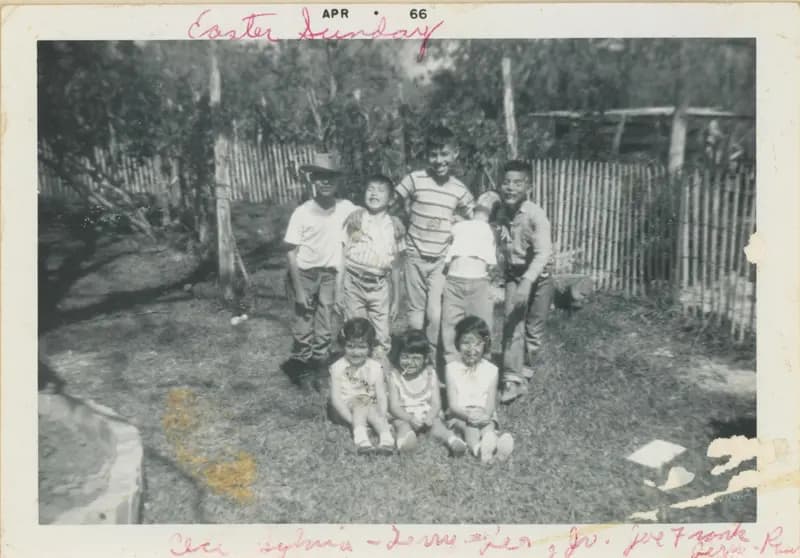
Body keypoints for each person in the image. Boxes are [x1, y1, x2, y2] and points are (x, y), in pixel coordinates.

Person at [394, 125, 475, 360]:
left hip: (440, 260)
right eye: (433, 155)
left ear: (455, 153)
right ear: (426, 155)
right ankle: (414, 353)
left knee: (436, 313)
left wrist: (461, 221)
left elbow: (475, 217)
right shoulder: (415, 179)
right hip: (414, 256)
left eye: (444, 154)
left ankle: (431, 355)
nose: (439, 160)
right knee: (415, 311)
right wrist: (395, 218)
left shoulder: (459, 189)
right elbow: (393, 199)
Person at [281, 152, 358, 391]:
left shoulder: (346, 208)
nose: (325, 181)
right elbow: (291, 253)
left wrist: (394, 221)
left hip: (329, 276)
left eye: (330, 177)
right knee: (303, 325)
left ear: (338, 180)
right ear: (312, 179)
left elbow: (370, 215)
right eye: (320, 176)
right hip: (304, 274)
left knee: (325, 324)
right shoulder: (302, 212)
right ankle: (302, 369)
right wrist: (299, 290)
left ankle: (320, 367)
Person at [493, 160, 555, 404]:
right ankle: (511, 379)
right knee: (512, 324)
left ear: (529, 186)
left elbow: (543, 253)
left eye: (517, 183)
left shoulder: (535, 215)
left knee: (534, 329)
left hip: (539, 276)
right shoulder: (500, 212)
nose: (510, 188)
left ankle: (526, 371)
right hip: (513, 274)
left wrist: (528, 282)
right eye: (506, 182)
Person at [340, 175, 405, 361]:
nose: (374, 193)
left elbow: (396, 266)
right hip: (354, 282)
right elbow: (342, 255)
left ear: (391, 200)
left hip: (379, 286)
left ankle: (379, 369)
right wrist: (339, 289)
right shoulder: (355, 219)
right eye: (370, 189)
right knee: (355, 328)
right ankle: (356, 368)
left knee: (382, 334)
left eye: (381, 190)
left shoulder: (395, 226)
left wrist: (396, 300)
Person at [386, 329, 468, 456]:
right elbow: (394, 406)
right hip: (404, 414)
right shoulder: (395, 376)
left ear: (425, 359)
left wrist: (430, 416)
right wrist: (409, 418)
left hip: (426, 414)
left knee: (438, 426)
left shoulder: (430, 374)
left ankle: (453, 441)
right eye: (405, 357)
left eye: (416, 358)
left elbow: (436, 403)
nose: (410, 362)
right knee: (402, 426)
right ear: (398, 356)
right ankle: (404, 444)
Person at [445, 316, 514, 464]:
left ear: (485, 344)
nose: (471, 349)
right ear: (457, 343)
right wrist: (468, 415)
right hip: (460, 415)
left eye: (477, 344)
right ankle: (478, 451)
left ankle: (496, 448)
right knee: (471, 428)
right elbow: (453, 405)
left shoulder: (492, 370)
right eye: (466, 343)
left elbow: (490, 402)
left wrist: (486, 415)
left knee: (488, 427)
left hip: (483, 413)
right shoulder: (451, 368)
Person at [328, 318, 395, 455]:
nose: (356, 352)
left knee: (371, 407)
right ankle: (361, 439)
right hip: (345, 410)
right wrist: (352, 421)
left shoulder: (375, 367)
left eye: (362, 347)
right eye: (350, 346)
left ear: (370, 348)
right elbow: (336, 400)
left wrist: (382, 415)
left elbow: (381, 396)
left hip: (369, 408)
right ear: (343, 345)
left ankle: (386, 439)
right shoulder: (337, 367)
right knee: (361, 402)